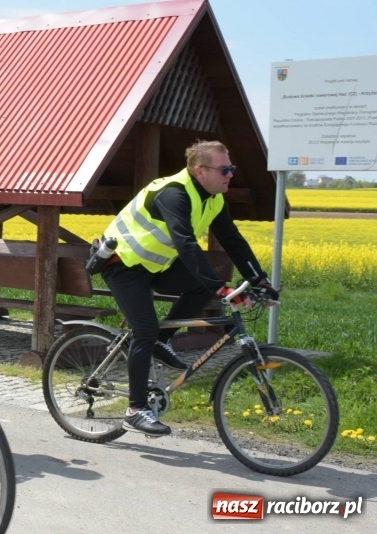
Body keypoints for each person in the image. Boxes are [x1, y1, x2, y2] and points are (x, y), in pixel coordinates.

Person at [97, 140, 279, 437]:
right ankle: (135, 410)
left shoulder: (213, 199)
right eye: (224, 169)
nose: (231, 174)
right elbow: (185, 243)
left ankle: (162, 341)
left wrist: (260, 280)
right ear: (200, 171)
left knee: (200, 287)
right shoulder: (174, 194)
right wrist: (221, 289)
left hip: (154, 265)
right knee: (144, 329)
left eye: (231, 168)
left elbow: (233, 240)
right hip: (123, 264)